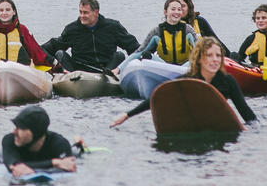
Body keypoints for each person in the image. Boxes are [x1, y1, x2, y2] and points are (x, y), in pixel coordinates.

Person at [110, 36, 257, 126]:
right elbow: (157, 96)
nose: (215, 60)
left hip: (215, 123)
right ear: (199, 58)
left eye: (218, 56)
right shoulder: (189, 79)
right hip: (193, 121)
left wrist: (252, 130)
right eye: (210, 55)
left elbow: (246, 112)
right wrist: (128, 115)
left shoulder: (227, 81)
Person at [40, 0, 139, 72]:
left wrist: (144, 59)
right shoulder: (72, 29)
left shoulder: (113, 26)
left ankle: (110, 74)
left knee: (120, 55)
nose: (82, 16)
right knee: (60, 53)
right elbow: (47, 48)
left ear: (96, 12)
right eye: (80, 12)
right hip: (78, 71)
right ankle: (68, 75)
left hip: (106, 69)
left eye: (85, 13)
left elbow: (134, 47)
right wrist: (54, 66)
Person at [0, 105, 78, 177]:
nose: (14, 132)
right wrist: (54, 162)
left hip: (40, 158)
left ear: (35, 132)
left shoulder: (60, 144)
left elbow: (69, 166)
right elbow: (14, 167)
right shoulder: (9, 140)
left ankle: (79, 143)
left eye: (20, 128)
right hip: (5, 156)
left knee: (76, 151)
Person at [120, 0, 197, 68]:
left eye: (179, 9)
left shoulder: (188, 30)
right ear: (165, 12)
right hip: (164, 67)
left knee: (197, 58)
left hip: (185, 67)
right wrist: (119, 68)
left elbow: (200, 50)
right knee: (145, 54)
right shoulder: (156, 31)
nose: (176, 12)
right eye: (173, 9)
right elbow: (139, 51)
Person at [235, 4, 267, 73]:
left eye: (264, 18)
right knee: (234, 55)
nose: (260, 20)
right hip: (256, 69)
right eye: (258, 18)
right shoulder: (251, 38)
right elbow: (240, 56)